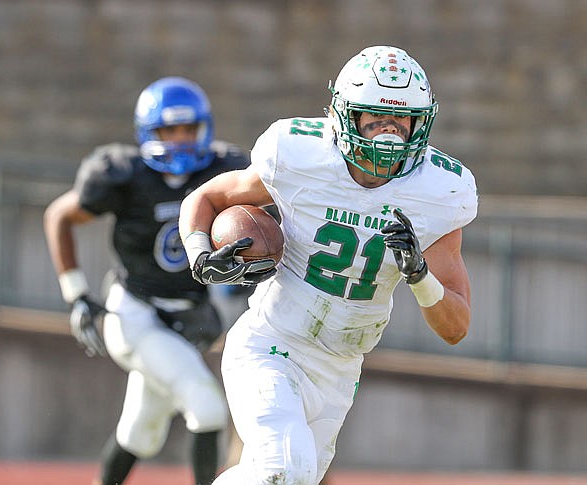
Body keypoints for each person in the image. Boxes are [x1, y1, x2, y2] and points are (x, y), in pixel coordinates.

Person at [178, 45, 478, 485]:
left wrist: (419, 275)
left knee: (278, 478)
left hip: (340, 368)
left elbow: (457, 326)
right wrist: (200, 256)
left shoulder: (439, 192)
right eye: (375, 119)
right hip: (271, 344)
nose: (388, 134)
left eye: (400, 121)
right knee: (283, 472)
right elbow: (206, 197)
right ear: (346, 116)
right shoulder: (301, 155)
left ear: (422, 123)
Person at [43, 76, 251, 485]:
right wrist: (77, 294)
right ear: (147, 133)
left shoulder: (222, 170)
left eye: (187, 130)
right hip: (134, 314)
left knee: (138, 434)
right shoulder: (124, 175)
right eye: (167, 131)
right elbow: (59, 216)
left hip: (189, 316)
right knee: (207, 407)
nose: (179, 140)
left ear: (203, 128)